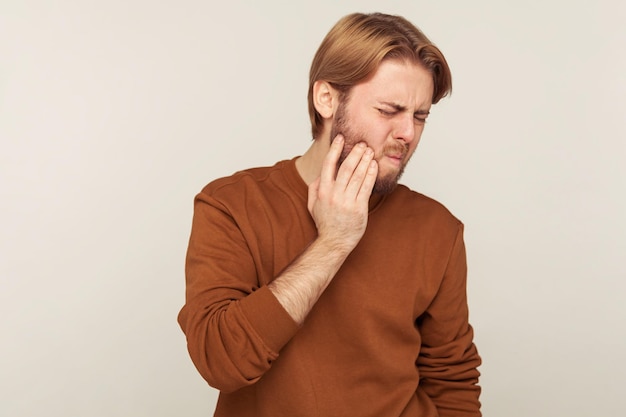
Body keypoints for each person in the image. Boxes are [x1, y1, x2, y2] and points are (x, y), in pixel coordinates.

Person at [178, 11, 482, 417]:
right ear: (327, 99)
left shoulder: (437, 230)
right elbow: (220, 360)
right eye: (389, 110)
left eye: (420, 116)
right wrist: (334, 241)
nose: (408, 133)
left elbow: (453, 383)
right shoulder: (231, 205)